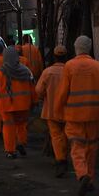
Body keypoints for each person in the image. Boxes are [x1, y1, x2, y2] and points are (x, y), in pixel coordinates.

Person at [55, 36, 99, 196]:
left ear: (76, 48)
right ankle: (90, 180)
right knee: (92, 148)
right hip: (94, 116)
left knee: (77, 147)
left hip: (74, 115)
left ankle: (82, 174)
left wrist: (58, 112)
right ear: (90, 48)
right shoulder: (97, 66)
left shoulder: (70, 66)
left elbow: (62, 92)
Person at [0, 47, 37, 158]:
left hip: (6, 106)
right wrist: (34, 101)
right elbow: (32, 88)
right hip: (24, 105)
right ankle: (21, 143)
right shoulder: (26, 71)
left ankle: (10, 151)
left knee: (8, 127)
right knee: (21, 125)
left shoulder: (1, 73)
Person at [36, 45, 68, 177]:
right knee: (66, 134)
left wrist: (43, 97)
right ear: (66, 57)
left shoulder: (48, 72)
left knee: (56, 136)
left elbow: (38, 91)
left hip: (51, 110)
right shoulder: (69, 71)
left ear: (54, 57)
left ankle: (60, 160)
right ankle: (65, 156)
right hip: (68, 110)